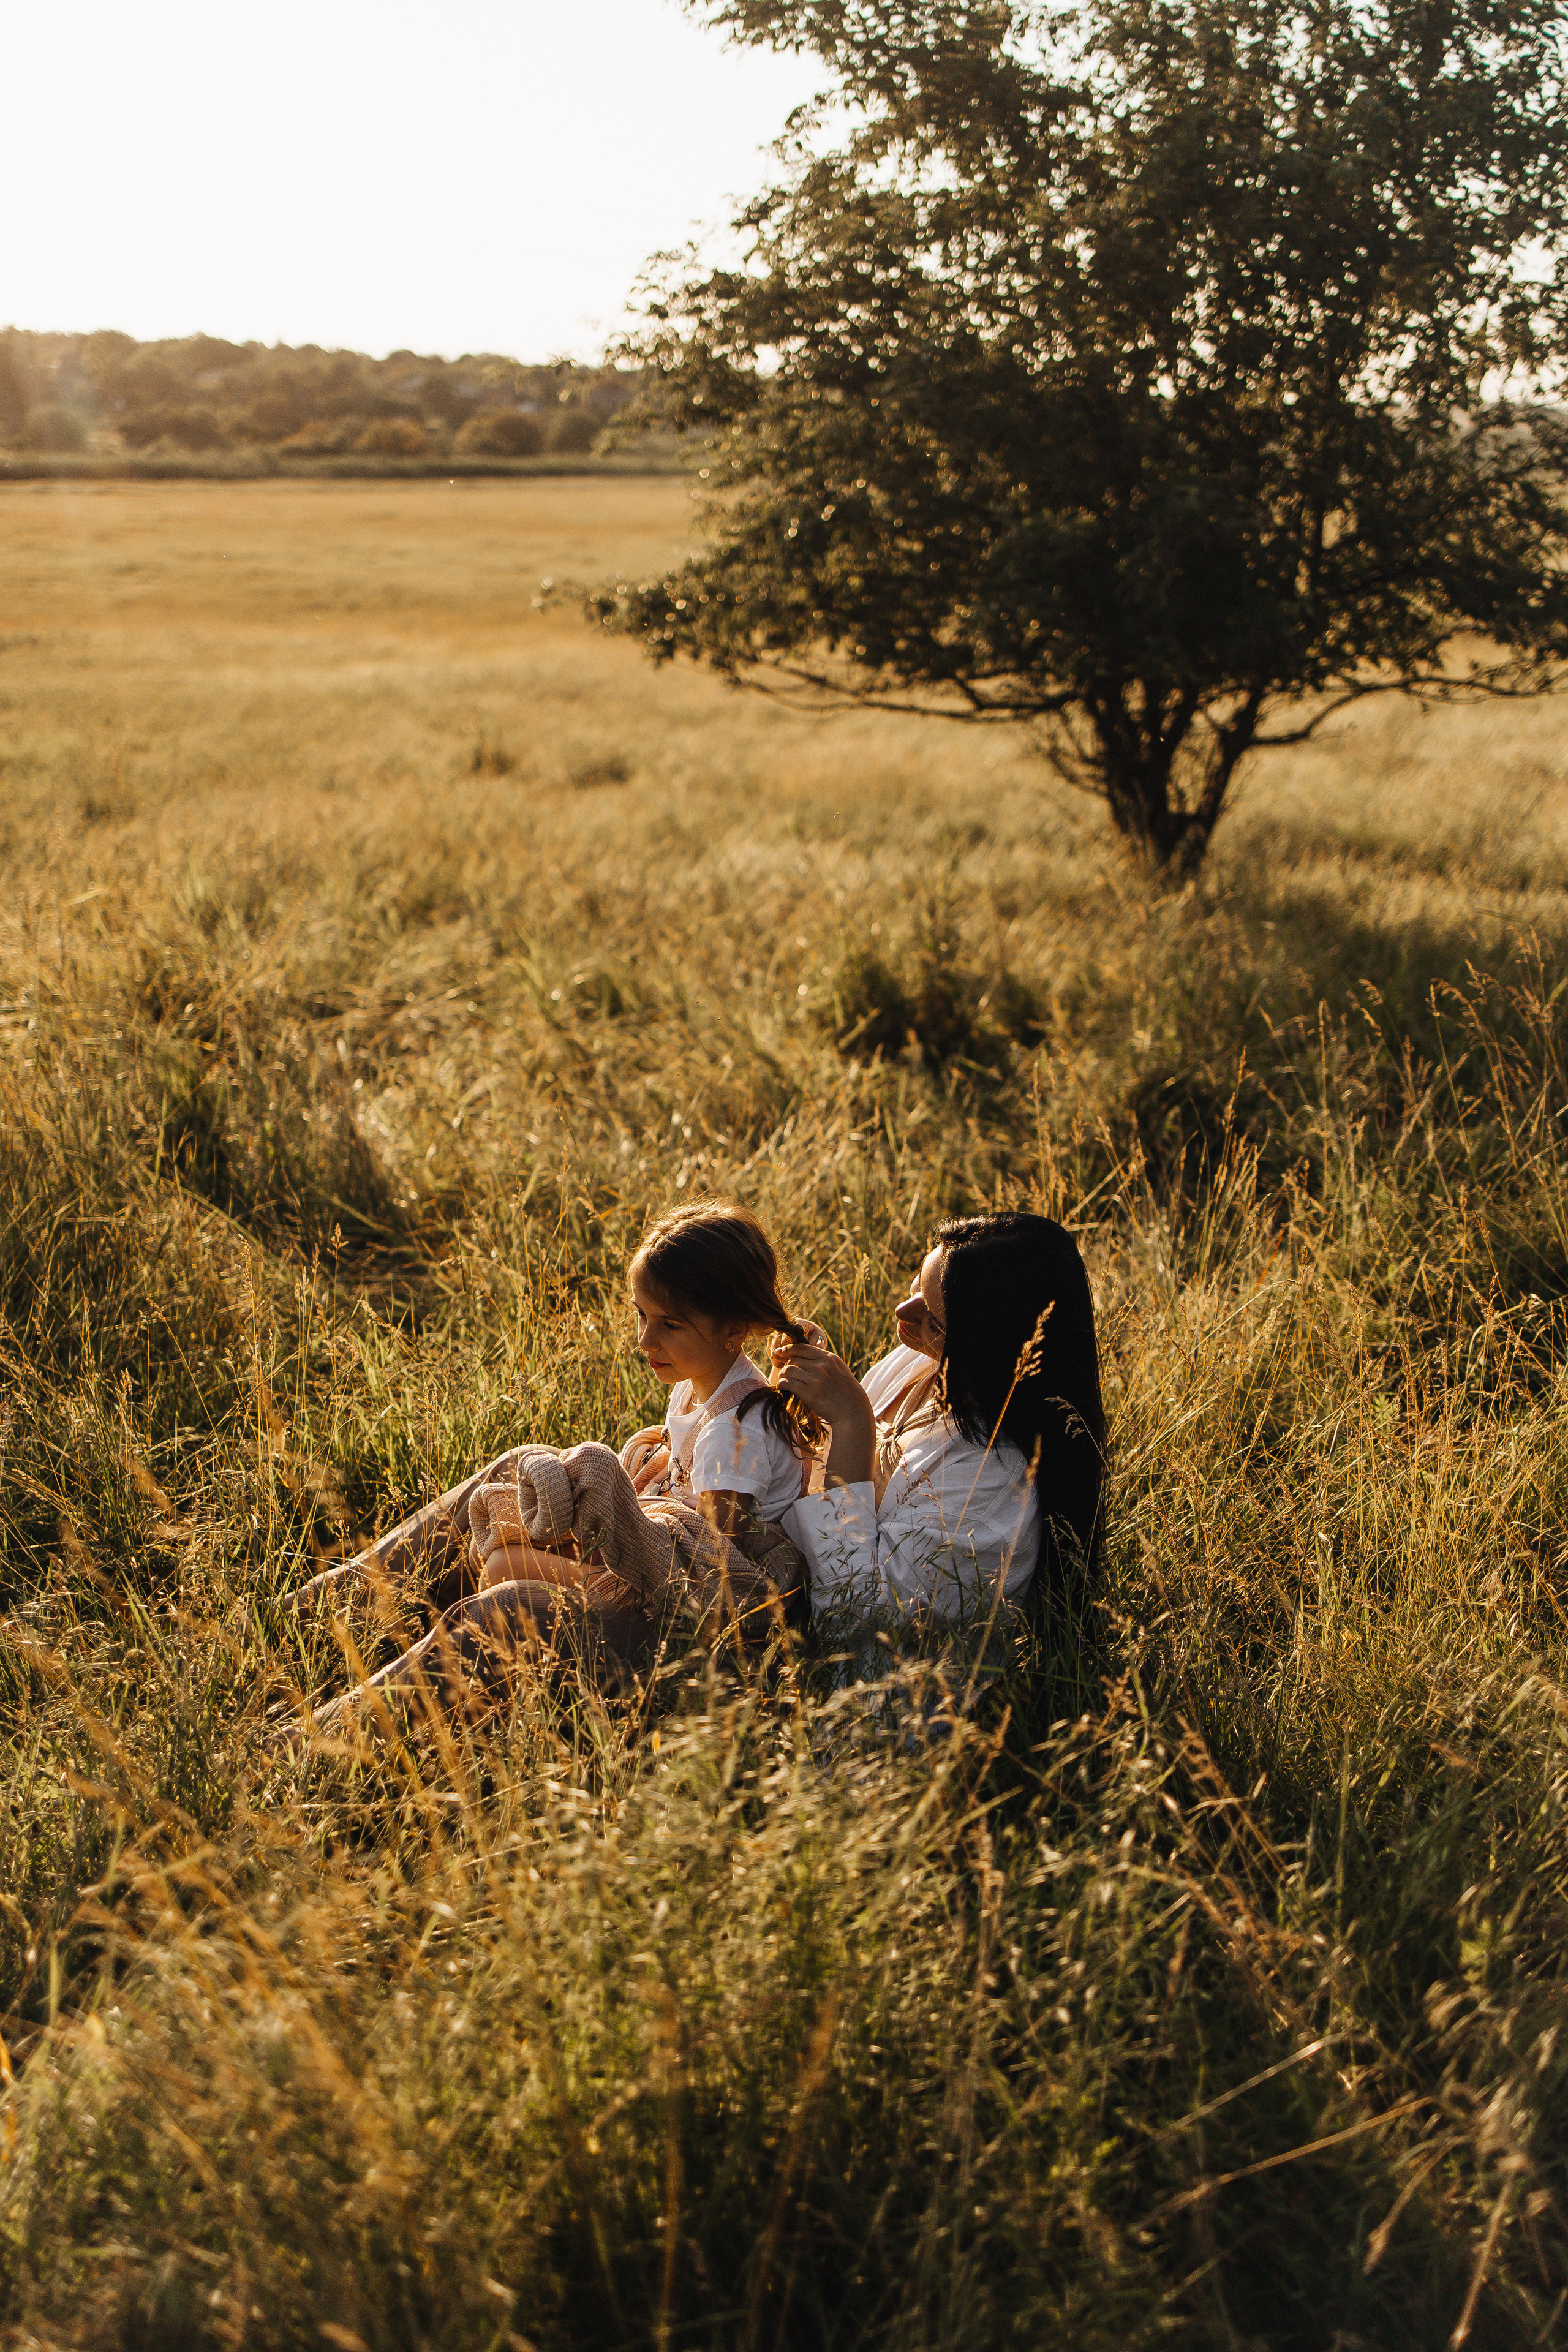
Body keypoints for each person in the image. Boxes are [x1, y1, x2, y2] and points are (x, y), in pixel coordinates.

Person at [295, 1201, 823, 1714]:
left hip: (688, 1620)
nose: (645, 1339)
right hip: (657, 1568)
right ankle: (330, 1609)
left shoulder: (736, 1435)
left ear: (733, 1329)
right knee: (517, 1469)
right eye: (642, 1316)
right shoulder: (695, 1389)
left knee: (504, 1567)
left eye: (670, 1325)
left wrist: (617, 1528)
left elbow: (714, 1570)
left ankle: (361, 1706)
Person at [774, 1212, 1104, 1637]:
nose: (903, 1312)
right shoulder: (924, 1364)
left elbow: (850, 1614)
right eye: (917, 1285)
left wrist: (853, 1421)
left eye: (931, 1318)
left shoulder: (990, 1487)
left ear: (986, 1349)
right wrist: (810, 1388)